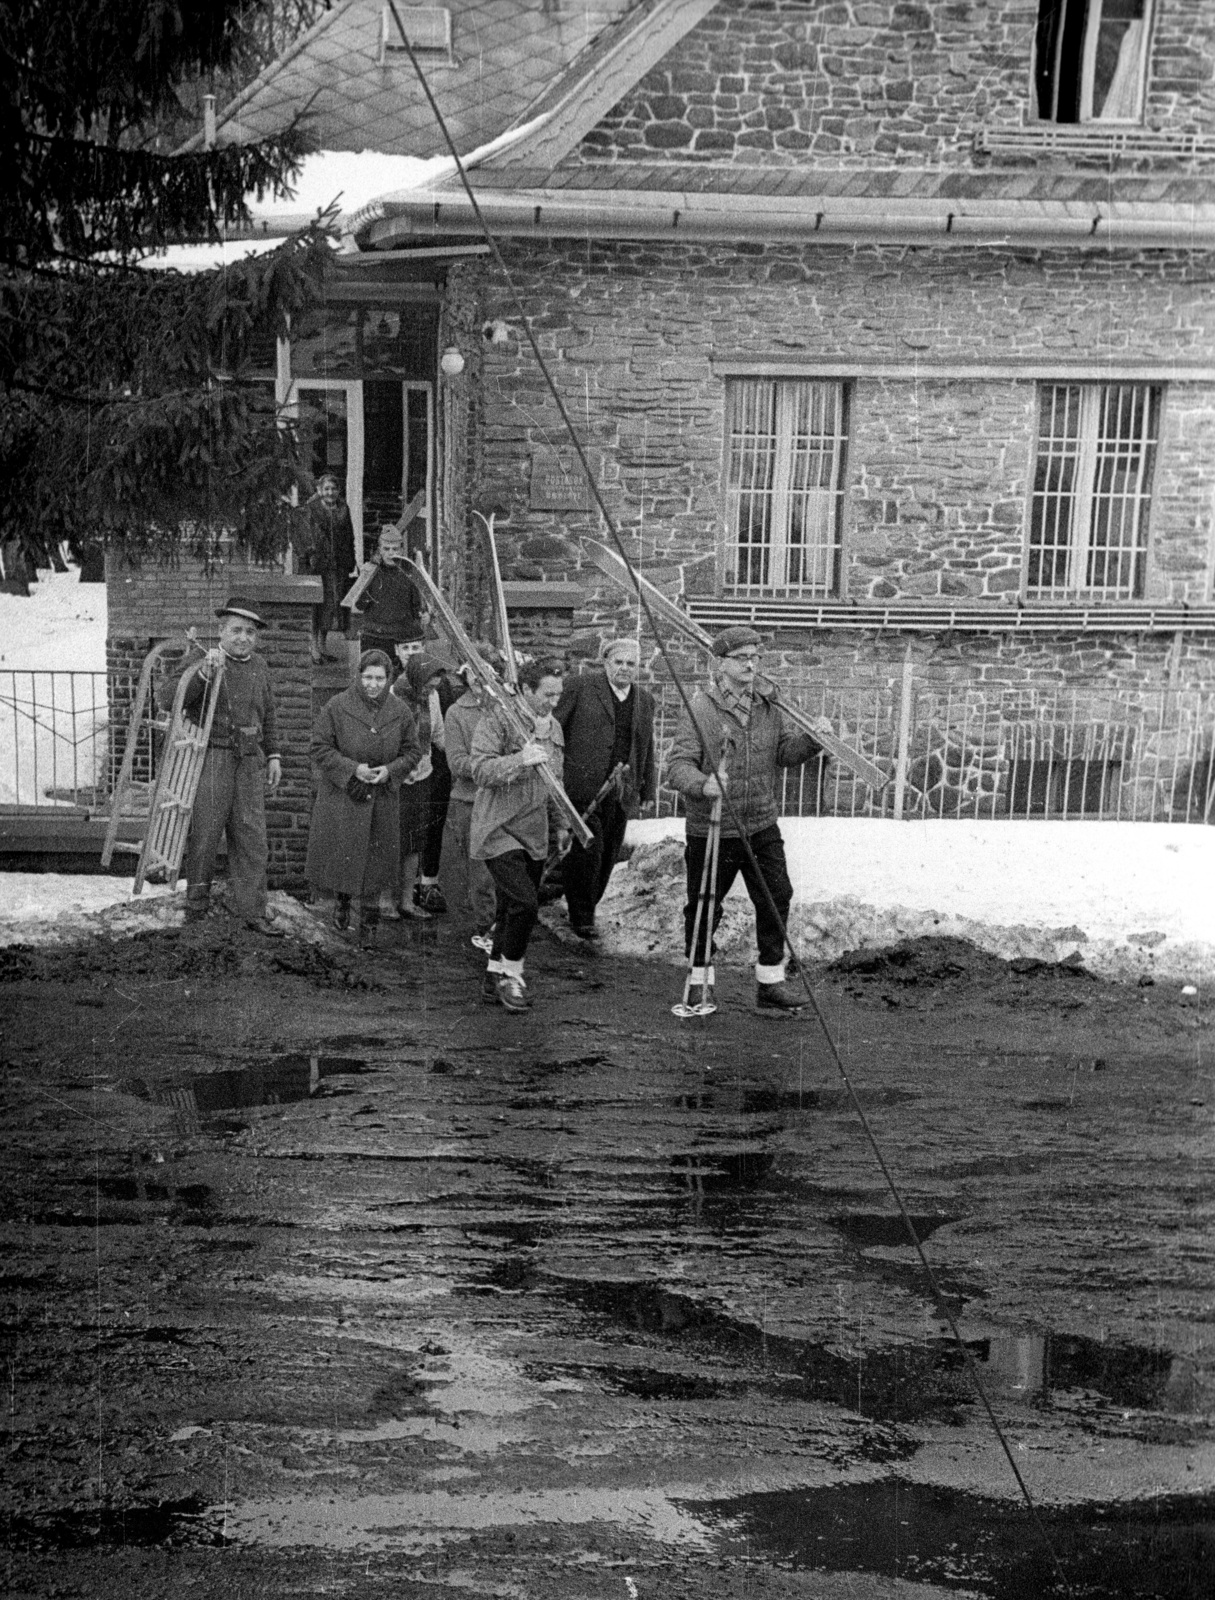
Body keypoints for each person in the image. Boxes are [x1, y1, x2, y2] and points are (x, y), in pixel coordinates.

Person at [666, 625, 825, 1014]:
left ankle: (770, 983)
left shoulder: (768, 707)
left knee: (777, 897)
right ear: (720, 663)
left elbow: (784, 753)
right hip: (713, 828)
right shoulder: (701, 708)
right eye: (742, 657)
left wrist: (812, 740)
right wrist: (704, 784)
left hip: (760, 823)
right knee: (705, 906)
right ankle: (699, 984)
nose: (751, 664)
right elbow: (676, 767)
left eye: (755, 657)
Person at [159, 597, 282, 935]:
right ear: (221, 631)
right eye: (236, 630)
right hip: (212, 757)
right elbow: (168, 699)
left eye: (250, 633)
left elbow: (268, 713)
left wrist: (273, 755)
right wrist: (202, 674)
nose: (243, 638)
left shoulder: (260, 666)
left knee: (251, 835)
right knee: (206, 834)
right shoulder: (202, 658)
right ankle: (196, 908)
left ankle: (251, 909)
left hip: (249, 762)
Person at [470, 657, 569, 1012]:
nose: (554, 702)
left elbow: (555, 783)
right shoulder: (499, 719)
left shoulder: (554, 729)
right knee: (526, 903)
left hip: (534, 831)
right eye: (547, 694)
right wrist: (519, 759)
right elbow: (478, 769)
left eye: (558, 695)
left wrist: (562, 825)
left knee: (512, 906)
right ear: (526, 690)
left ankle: (492, 977)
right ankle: (513, 976)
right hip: (497, 828)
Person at [305, 649, 423, 947]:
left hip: (381, 796)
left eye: (379, 678)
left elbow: (412, 751)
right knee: (347, 853)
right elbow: (319, 747)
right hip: (346, 795)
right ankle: (343, 903)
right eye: (367, 677)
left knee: (377, 860)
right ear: (358, 676)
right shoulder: (337, 706)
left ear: (389, 679)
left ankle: (369, 922)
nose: (373, 684)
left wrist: (390, 770)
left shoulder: (400, 711)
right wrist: (352, 769)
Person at [555, 636, 656, 940]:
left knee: (609, 852)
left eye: (631, 664)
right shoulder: (580, 687)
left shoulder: (645, 700)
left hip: (622, 791)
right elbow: (554, 728)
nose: (625, 669)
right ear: (606, 662)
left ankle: (586, 905)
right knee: (588, 852)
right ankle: (581, 915)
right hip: (583, 788)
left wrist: (648, 790)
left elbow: (646, 747)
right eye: (619, 662)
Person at [442, 647, 501, 951]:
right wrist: (492, 767)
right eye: (474, 674)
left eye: (486, 674)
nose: (480, 680)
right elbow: (456, 761)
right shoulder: (456, 713)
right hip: (469, 800)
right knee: (473, 870)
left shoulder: (505, 709)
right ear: (465, 676)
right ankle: (478, 928)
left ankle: (494, 925)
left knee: (498, 869)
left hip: (502, 801)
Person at [390, 652, 453, 918]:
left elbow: (438, 735)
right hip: (395, 778)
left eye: (434, 686)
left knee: (415, 841)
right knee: (391, 838)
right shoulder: (392, 696)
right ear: (416, 677)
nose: (430, 690)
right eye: (427, 685)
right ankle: (383, 899)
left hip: (422, 775)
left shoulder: (432, 698)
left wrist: (459, 754)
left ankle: (406, 901)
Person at [298, 471, 357, 664]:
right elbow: (304, 539)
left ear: (338, 491)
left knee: (331, 607)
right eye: (326, 489)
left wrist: (351, 560)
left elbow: (350, 537)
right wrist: (309, 559)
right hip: (317, 567)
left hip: (338, 566)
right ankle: (313, 648)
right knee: (316, 606)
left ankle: (323, 646)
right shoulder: (311, 509)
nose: (330, 492)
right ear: (319, 490)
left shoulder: (343, 509)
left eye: (333, 489)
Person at [352, 524, 429, 669]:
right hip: (374, 636)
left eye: (395, 549)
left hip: (400, 639)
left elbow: (416, 608)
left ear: (401, 550)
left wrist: (424, 615)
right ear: (380, 550)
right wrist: (365, 581)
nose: (391, 553)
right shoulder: (371, 571)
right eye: (386, 549)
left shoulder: (408, 573)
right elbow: (359, 605)